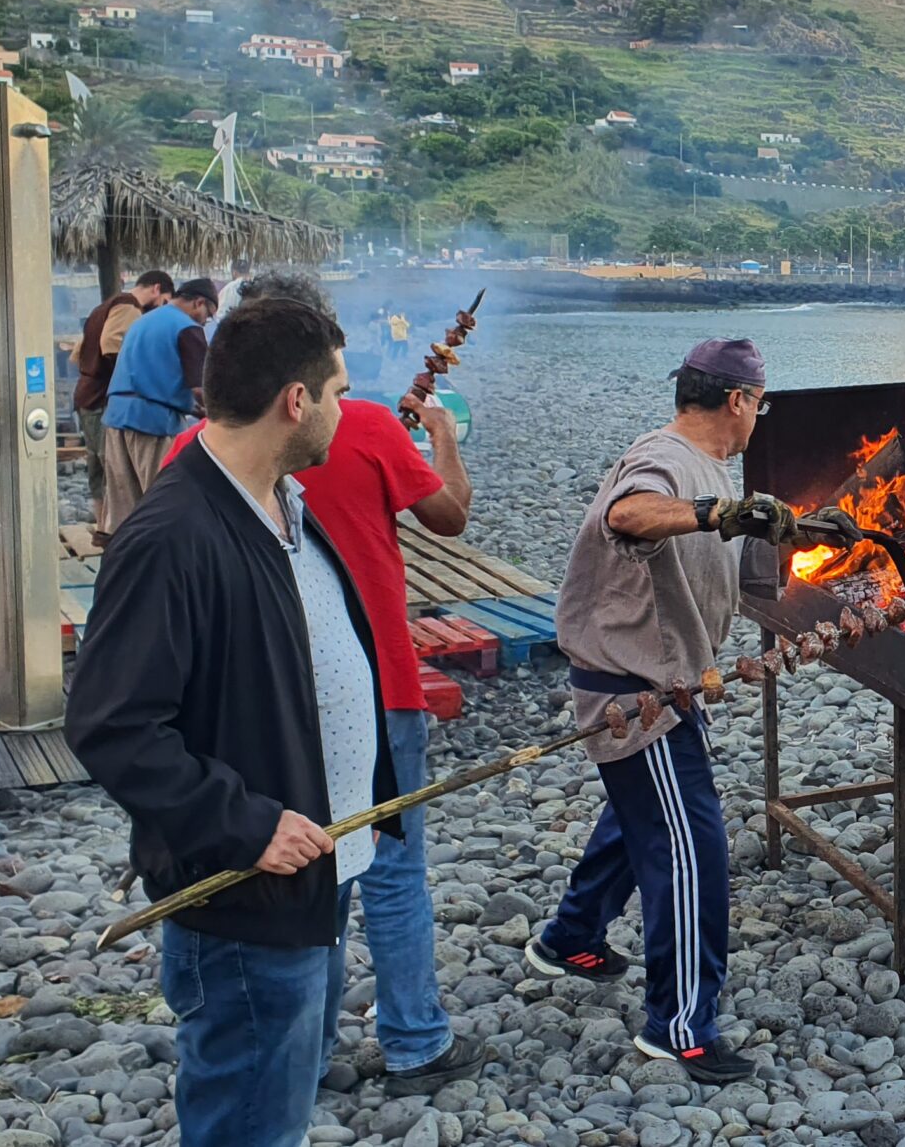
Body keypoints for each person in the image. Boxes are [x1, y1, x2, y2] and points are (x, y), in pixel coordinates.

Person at [68, 297, 397, 1147]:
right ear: (296, 400)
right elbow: (113, 724)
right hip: (250, 889)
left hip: (321, 871)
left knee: (285, 1095)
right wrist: (246, 823)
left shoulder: (278, 499)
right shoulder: (173, 534)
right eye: (339, 391)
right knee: (247, 1119)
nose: (346, 409)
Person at [161, 272, 480, 1094]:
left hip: (261, 711)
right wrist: (442, 435)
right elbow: (450, 516)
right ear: (301, 391)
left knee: (313, 872)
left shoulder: (188, 454)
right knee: (391, 871)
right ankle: (414, 1038)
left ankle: (311, 1043)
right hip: (381, 688)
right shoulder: (372, 426)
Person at [529, 338, 856, 1086]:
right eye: (760, 404)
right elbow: (634, 512)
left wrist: (797, 529)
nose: (758, 418)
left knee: (640, 817)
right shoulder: (668, 460)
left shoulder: (705, 468)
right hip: (634, 688)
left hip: (661, 677)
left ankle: (568, 936)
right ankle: (678, 1026)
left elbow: (721, 528)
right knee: (690, 845)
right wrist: (717, 510)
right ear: (737, 400)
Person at [100, 278, 219, 537]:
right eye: (207, 315)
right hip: (152, 423)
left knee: (123, 507)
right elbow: (200, 389)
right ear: (199, 302)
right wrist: (220, 415)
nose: (204, 321)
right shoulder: (187, 328)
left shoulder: (142, 321)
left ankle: (120, 562)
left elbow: (151, 375)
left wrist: (194, 409)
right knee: (161, 501)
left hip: (116, 418)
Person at [76, 272, 175, 542]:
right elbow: (111, 344)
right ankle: (110, 531)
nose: (163, 308)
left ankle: (103, 525)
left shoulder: (103, 308)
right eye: (165, 301)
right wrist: (135, 371)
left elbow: (78, 352)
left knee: (100, 466)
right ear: (157, 289)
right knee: (113, 467)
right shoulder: (129, 308)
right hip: (102, 398)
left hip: (88, 395)